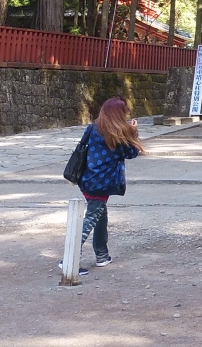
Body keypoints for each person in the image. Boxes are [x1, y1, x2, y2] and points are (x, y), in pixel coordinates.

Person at [61, 96, 144, 276]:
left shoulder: (92, 128)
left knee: (100, 217)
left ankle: (102, 255)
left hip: (86, 179)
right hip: (101, 183)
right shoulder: (115, 135)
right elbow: (132, 153)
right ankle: (69, 259)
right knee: (91, 218)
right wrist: (134, 132)